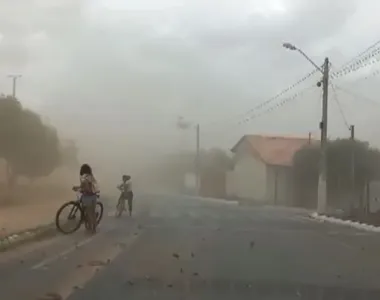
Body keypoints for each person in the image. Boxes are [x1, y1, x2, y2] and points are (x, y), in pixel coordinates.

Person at [73, 164, 99, 233]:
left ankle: (92, 228)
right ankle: (93, 227)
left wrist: (77, 188)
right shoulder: (91, 176)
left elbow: (85, 188)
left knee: (89, 213)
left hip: (88, 197)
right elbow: (93, 186)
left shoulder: (83, 178)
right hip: (94, 196)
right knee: (92, 212)